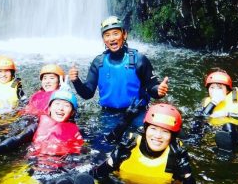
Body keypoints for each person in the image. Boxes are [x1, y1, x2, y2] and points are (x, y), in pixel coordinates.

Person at [68, 16, 168, 149]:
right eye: (107, 35)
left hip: (136, 113)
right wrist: (76, 81)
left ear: (124, 34)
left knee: (143, 146)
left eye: (116, 33)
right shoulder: (98, 62)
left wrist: (158, 90)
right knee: (104, 147)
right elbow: (87, 93)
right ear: (103, 39)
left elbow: (151, 87)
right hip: (109, 114)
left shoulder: (139, 60)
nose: (112, 38)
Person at [90, 103, 207, 184]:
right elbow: (94, 176)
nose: (158, 136)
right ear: (145, 130)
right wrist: (112, 161)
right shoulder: (129, 144)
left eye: (165, 131)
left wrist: (186, 173)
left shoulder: (176, 155)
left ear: (172, 136)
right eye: (153, 128)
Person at [191, 69, 238, 151]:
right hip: (214, 129)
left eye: (219, 88)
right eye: (212, 88)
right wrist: (214, 102)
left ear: (227, 90)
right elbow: (201, 116)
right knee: (196, 123)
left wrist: (227, 114)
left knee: (229, 125)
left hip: (237, 131)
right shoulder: (207, 102)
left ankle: (227, 150)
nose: (215, 91)